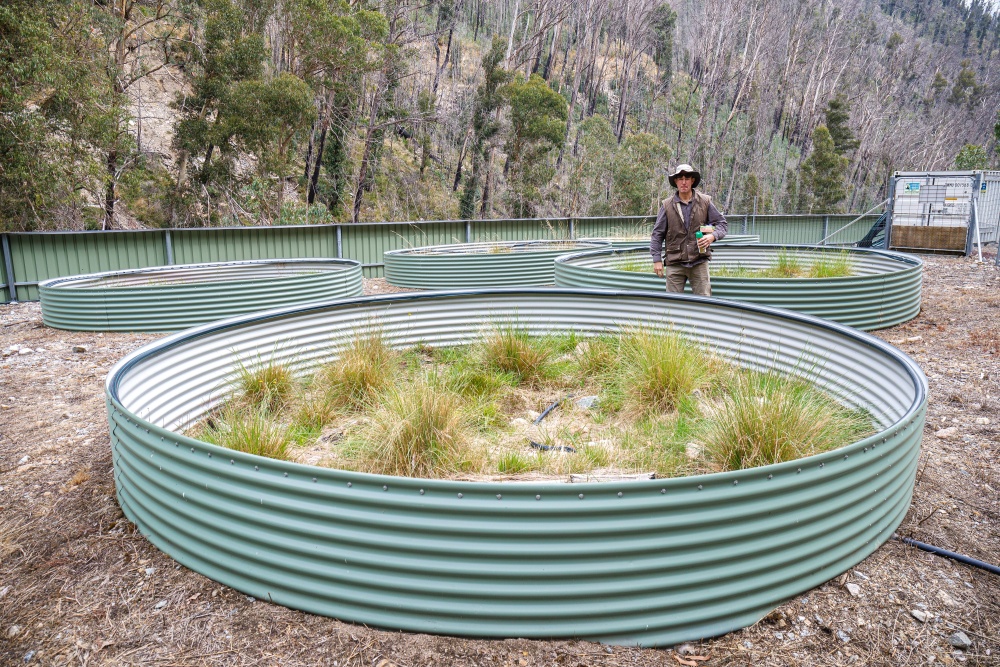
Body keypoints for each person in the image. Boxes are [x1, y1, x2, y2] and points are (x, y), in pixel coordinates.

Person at [650, 163, 728, 296]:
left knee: (704, 303)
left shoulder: (705, 201)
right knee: (673, 306)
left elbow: (722, 224)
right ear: (676, 181)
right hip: (675, 263)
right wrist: (657, 259)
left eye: (687, 178)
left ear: (692, 180)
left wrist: (712, 236)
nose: (684, 182)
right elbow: (657, 234)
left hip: (699, 262)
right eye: (680, 178)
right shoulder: (667, 205)